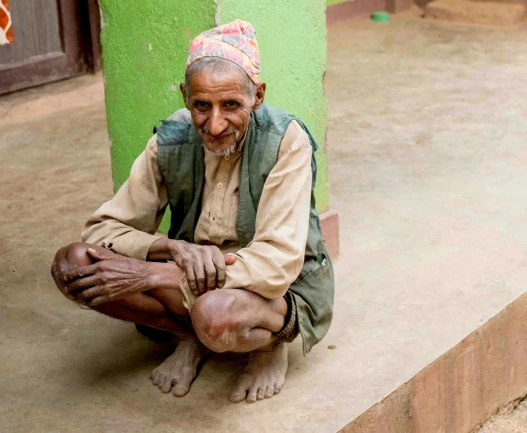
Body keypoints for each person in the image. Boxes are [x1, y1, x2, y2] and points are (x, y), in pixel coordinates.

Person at [50, 20, 334, 403]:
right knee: (74, 264)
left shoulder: (287, 140)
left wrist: (148, 274)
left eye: (231, 105)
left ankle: (267, 347)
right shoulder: (172, 137)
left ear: (258, 97)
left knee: (215, 314)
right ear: (186, 97)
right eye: (202, 105)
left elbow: (276, 264)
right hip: (192, 273)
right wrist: (172, 250)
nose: (214, 124)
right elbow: (103, 228)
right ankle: (192, 340)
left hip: (265, 291)